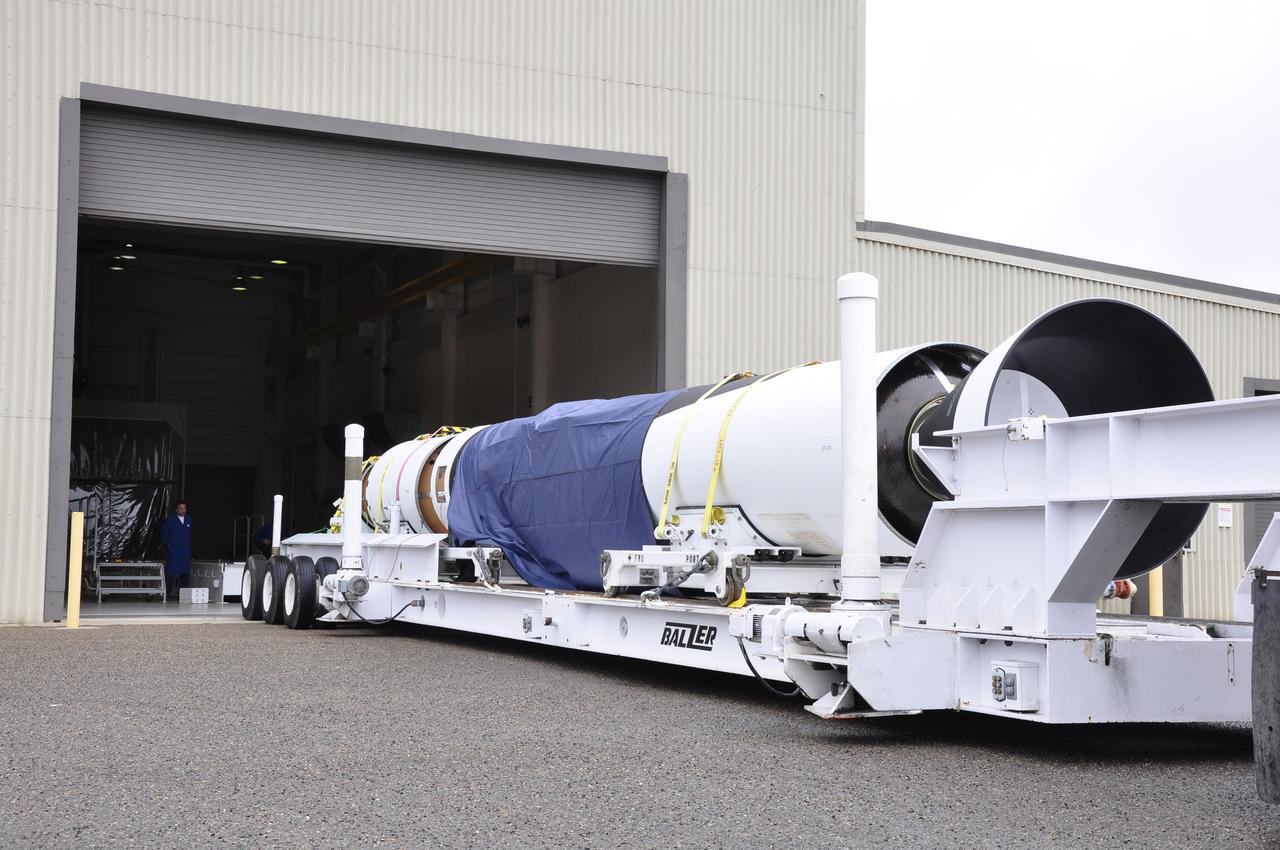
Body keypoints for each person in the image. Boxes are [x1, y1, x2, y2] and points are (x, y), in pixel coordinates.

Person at [160, 499, 192, 600]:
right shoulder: (171, 520)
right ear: (176, 509)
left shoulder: (188, 520)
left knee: (184, 574)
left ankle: (182, 595)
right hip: (174, 551)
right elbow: (163, 533)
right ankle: (167, 594)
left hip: (185, 551)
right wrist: (168, 544)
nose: (182, 511)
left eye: (184, 509)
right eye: (180, 509)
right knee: (171, 573)